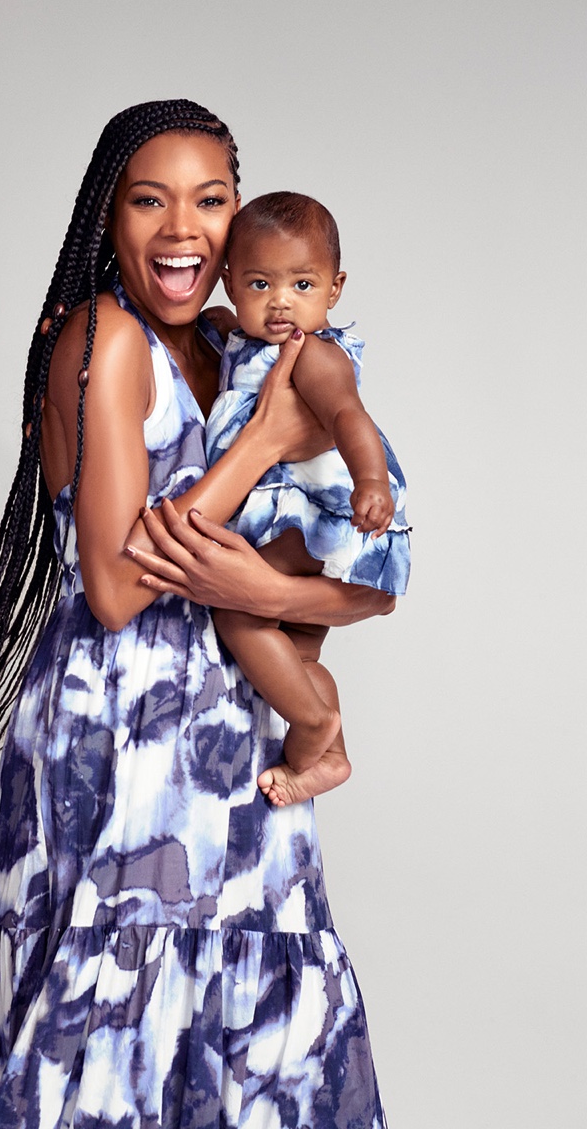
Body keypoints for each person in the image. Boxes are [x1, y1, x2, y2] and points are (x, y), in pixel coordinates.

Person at [0, 101, 393, 1129]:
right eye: (149, 199)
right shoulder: (102, 339)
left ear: (238, 220)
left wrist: (265, 595)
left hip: (229, 728)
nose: (181, 228)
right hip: (116, 726)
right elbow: (118, 590)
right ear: (108, 216)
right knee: (105, 1008)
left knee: (245, 1018)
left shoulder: (236, 343)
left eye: (209, 201)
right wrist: (256, 448)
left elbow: (359, 580)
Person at [204, 192, 411, 809]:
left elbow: (350, 415)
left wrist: (371, 481)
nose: (281, 302)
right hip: (302, 530)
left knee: (238, 613)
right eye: (260, 283)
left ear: (335, 287)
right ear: (230, 284)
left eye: (302, 283)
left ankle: (314, 726)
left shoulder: (315, 356)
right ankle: (333, 752)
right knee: (291, 658)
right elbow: (215, 326)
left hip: (307, 522)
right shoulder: (239, 336)